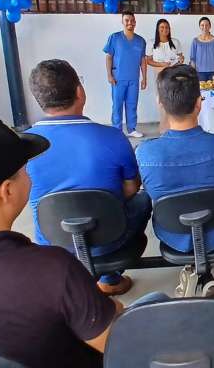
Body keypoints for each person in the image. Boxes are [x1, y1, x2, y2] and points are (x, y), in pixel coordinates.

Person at [0, 116, 123, 368]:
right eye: (25, 172)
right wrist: (113, 309)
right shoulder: (54, 270)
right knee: (151, 302)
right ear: (7, 191)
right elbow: (124, 348)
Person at [26, 59, 152, 296]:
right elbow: (132, 188)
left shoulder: (23, 146)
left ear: (38, 99)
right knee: (143, 200)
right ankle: (109, 278)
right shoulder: (113, 137)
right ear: (80, 92)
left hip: (53, 242)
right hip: (109, 238)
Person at [136, 65, 214, 295]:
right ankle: (203, 273)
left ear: (160, 102)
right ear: (199, 103)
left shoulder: (145, 152)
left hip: (173, 232)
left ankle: (197, 272)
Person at [103, 10, 147, 138]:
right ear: (122, 22)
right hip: (118, 78)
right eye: (127, 20)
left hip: (133, 78)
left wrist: (144, 78)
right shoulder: (115, 38)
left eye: (132, 21)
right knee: (117, 105)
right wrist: (109, 75)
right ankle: (117, 130)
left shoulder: (140, 41)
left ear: (135, 23)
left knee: (132, 104)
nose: (129, 23)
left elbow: (143, 60)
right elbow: (109, 57)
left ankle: (132, 128)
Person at [146, 19, 184, 133]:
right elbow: (149, 61)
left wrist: (181, 59)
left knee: (174, 99)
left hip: (174, 73)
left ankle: (175, 127)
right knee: (163, 100)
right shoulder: (152, 43)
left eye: (167, 27)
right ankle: (164, 128)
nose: (164, 29)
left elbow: (180, 57)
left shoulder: (175, 42)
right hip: (160, 73)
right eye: (162, 27)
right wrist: (162, 64)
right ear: (158, 29)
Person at [190, 17, 214, 82]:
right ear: (199, 26)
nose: (204, 27)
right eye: (202, 25)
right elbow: (193, 58)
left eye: (206, 25)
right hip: (200, 72)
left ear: (210, 26)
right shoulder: (195, 41)